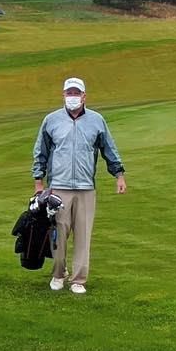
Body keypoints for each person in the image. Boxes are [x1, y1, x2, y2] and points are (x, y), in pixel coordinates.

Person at [31, 77, 127, 295]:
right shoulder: (51, 120)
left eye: (76, 93)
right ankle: (58, 273)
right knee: (58, 234)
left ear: (84, 96)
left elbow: (108, 149)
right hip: (59, 188)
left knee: (83, 235)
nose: (72, 97)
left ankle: (78, 280)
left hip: (86, 187)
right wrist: (39, 181)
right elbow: (41, 152)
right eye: (69, 93)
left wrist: (118, 175)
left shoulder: (96, 120)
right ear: (63, 95)